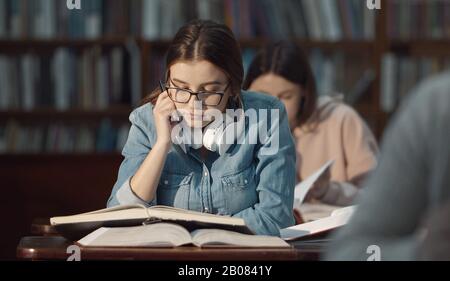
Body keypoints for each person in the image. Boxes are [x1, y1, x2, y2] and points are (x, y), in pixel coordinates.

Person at [107, 20, 296, 236]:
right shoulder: (145, 121)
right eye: (181, 88)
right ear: (167, 79)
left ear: (233, 87)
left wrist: (203, 233)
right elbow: (119, 216)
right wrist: (161, 145)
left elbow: (276, 217)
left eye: (209, 91)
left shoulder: (267, 116)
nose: (193, 105)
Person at [325, 71, 450, 260]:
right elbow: (350, 252)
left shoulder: (341, 119)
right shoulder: (436, 109)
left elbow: (363, 180)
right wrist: (424, 252)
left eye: (287, 96)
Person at [244, 41, 378, 208]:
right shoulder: (238, 129)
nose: (273, 107)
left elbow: (379, 196)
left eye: (285, 96)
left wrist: (329, 191)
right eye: (262, 96)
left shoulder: (341, 120)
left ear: (304, 93)